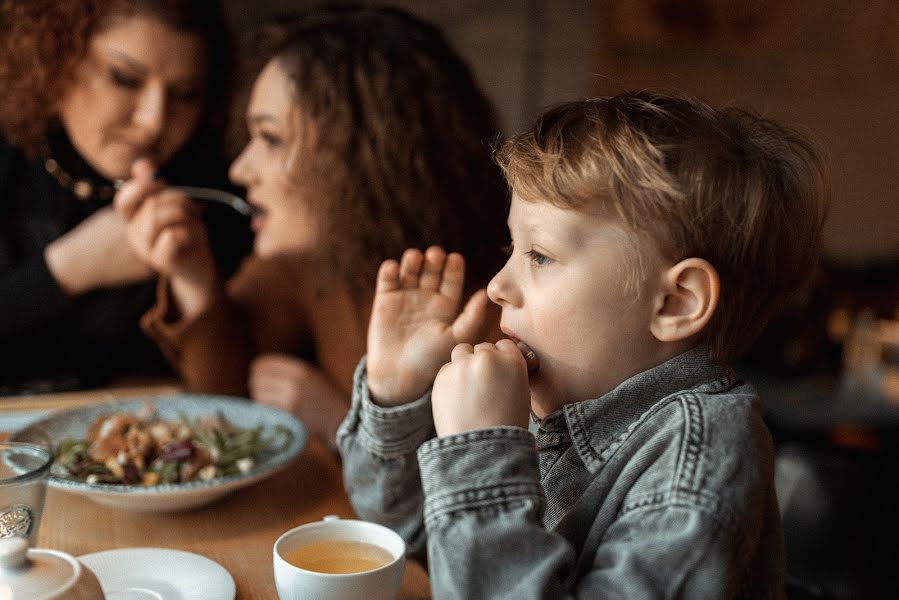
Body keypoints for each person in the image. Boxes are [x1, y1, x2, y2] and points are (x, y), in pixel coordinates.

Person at [338, 91, 830, 597]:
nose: (497, 287)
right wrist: (396, 391)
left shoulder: (699, 454)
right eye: (513, 247)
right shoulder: (557, 395)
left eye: (541, 256)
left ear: (676, 303)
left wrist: (481, 454)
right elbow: (412, 536)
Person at [116, 6, 508, 445]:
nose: (241, 169)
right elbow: (225, 401)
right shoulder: (306, 262)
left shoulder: (495, 307)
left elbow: (494, 499)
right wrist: (193, 275)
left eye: (270, 139)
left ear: (360, 154)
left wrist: (342, 423)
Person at [0, 0, 251, 392]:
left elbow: (232, 398)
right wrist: (66, 270)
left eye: (185, 94)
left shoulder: (212, 191)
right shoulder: (10, 155)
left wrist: (193, 281)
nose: (154, 121)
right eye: (125, 79)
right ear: (55, 58)